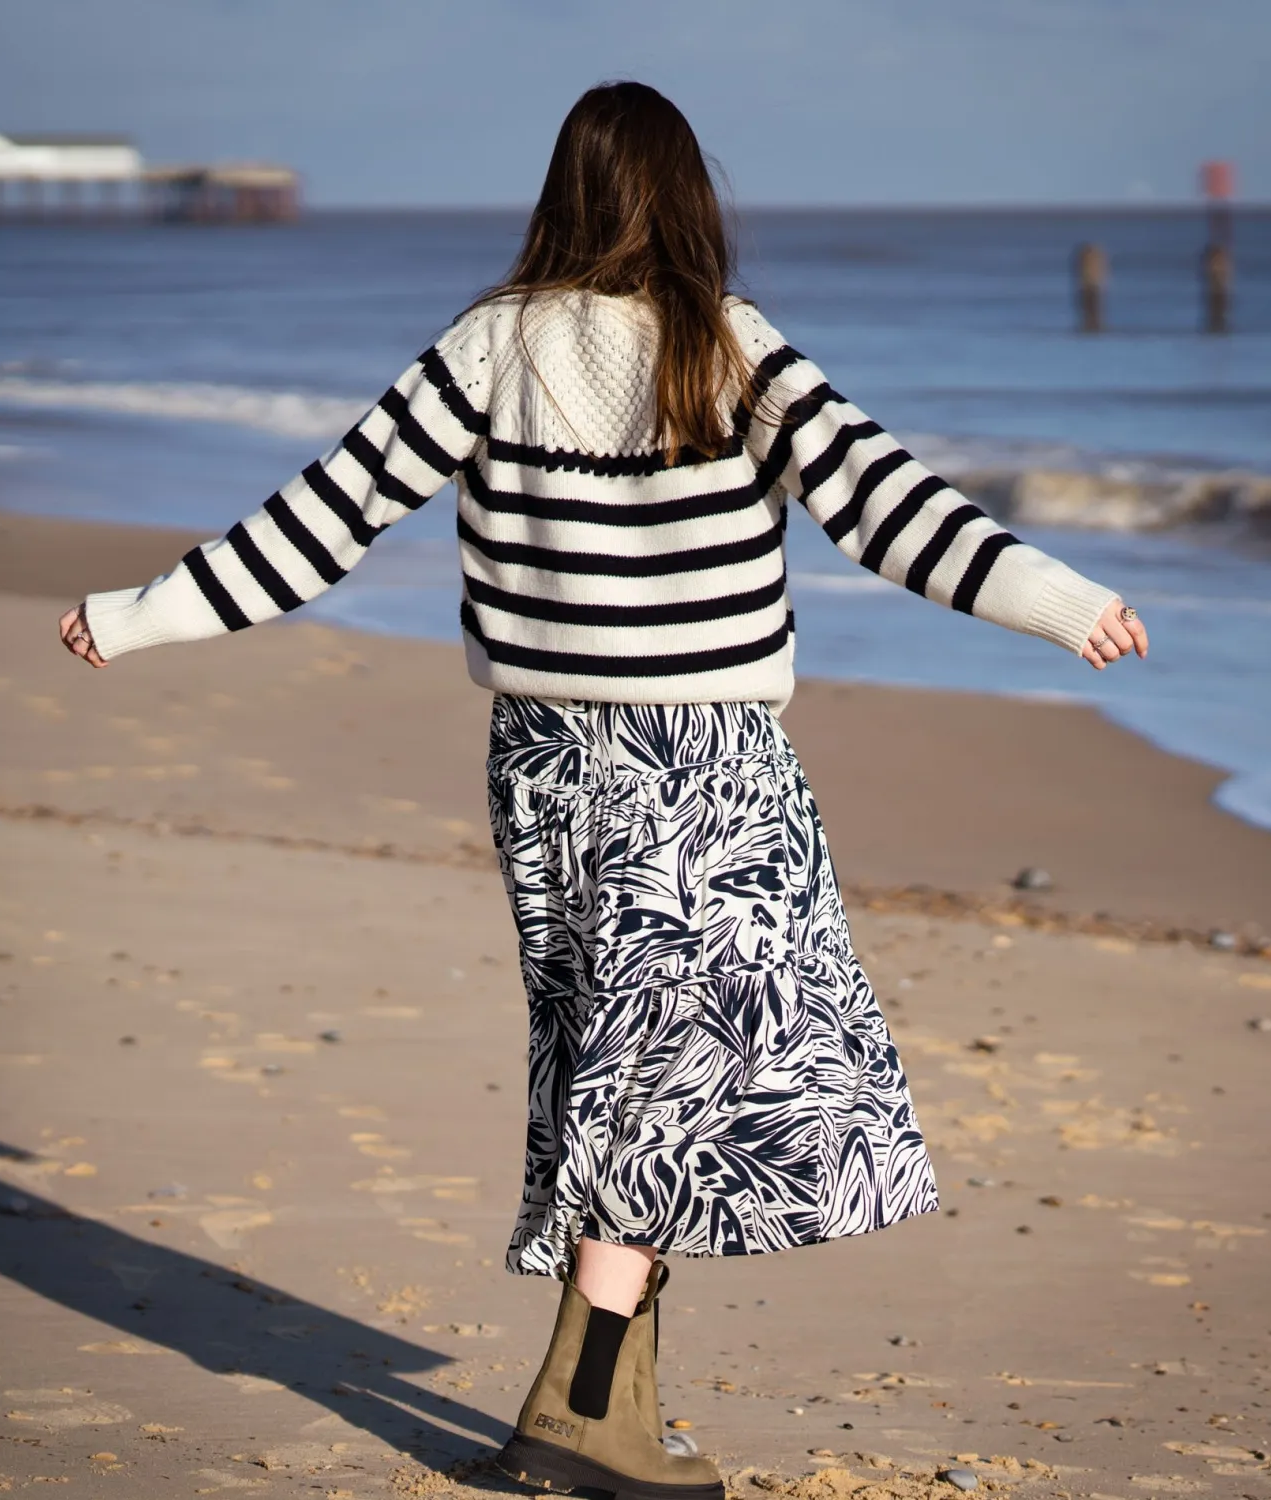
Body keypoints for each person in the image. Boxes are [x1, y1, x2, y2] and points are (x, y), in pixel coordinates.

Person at [59, 81, 1148, 1500]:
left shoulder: (488, 348)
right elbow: (893, 508)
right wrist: (1060, 601)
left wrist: (141, 613)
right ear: (690, 200)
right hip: (707, 766)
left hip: (546, 762)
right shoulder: (725, 346)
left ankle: (617, 1406)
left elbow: (318, 522)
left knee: (619, 1063)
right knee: (671, 1077)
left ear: (563, 194)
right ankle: (575, 1409)